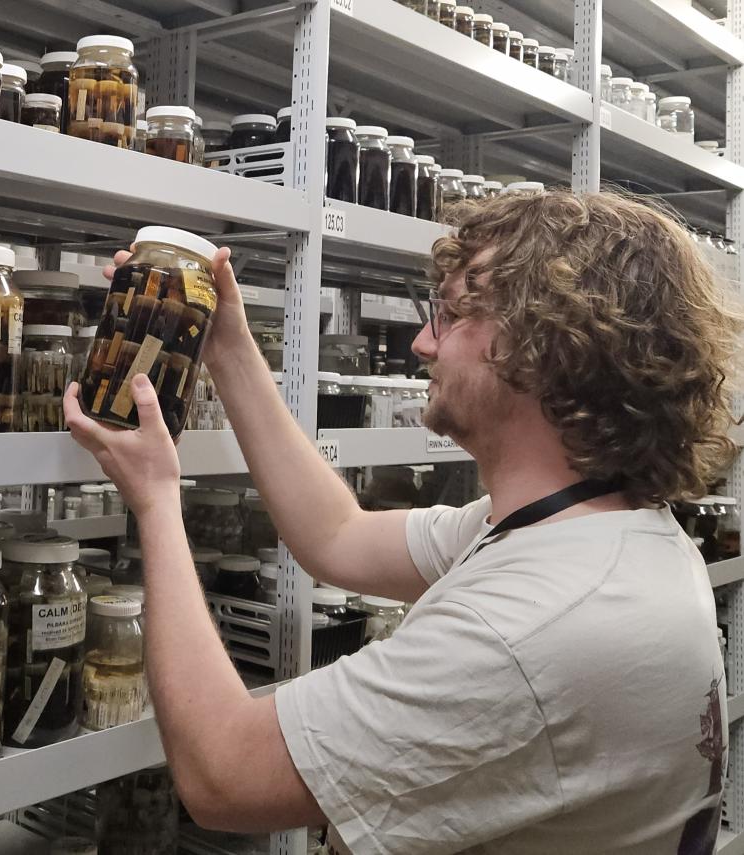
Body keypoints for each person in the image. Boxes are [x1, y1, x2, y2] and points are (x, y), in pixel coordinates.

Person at [63, 191, 741, 854]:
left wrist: (154, 501)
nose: (420, 342)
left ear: (548, 348)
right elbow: (337, 535)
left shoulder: (529, 627)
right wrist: (229, 347)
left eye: (449, 315)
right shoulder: (596, 536)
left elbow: (223, 771)